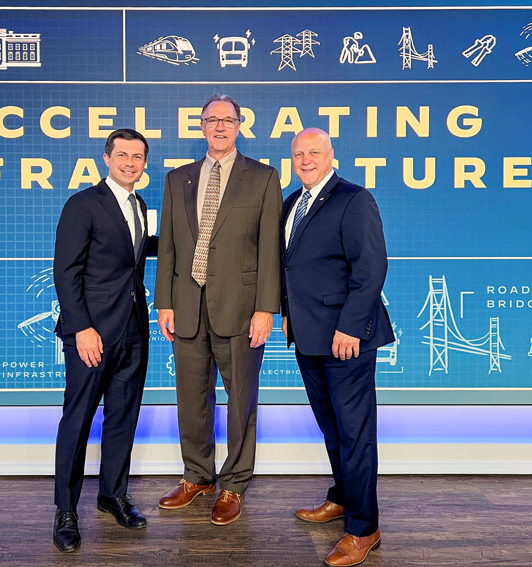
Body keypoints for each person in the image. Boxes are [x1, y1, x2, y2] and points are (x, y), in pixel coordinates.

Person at [154, 94, 282, 525]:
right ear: (201, 126)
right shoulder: (178, 179)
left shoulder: (263, 177)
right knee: (191, 398)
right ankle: (197, 475)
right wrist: (165, 301)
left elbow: (270, 250)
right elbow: (168, 248)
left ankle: (234, 484)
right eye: (212, 120)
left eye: (227, 120)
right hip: (187, 307)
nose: (220, 127)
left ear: (241, 125)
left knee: (241, 399)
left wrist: (267, 308)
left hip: (242, 309)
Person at [281, 128, 394, 566]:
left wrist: (351, 327)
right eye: (298, 153)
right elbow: (291, 265)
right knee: (333, 429)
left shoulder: (354, 198)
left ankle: (364, 529)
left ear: (332, 155)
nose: (305, 159)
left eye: (314, 152)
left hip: (346, 338)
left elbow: (371, 267)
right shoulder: (293, 203)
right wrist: (286, 311)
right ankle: (344, 497)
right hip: (308, 336)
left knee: (355, 434)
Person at [51, 129, 157, 552]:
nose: (130, 162)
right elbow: (66, 271)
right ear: (106, 159)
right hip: (91, 334)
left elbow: (134, 264)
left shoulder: (140, 205)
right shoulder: (83, 204)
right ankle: (65, 512)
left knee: (123, 418)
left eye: (138, 156)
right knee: (77, 423)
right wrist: (81, 328)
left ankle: (113, 494)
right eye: (123, 155)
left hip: (133, 330)